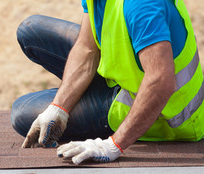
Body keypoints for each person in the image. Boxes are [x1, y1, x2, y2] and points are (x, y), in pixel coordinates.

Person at [11, 0, 204, 165]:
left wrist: (112, 145)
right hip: (126, 75)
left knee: (22, 113)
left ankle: (96, 102)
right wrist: (58, 107)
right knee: (30, 30)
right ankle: (81, 95)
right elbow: (87, 47)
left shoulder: (141, 5)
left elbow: (160, 81)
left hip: (163, 113)